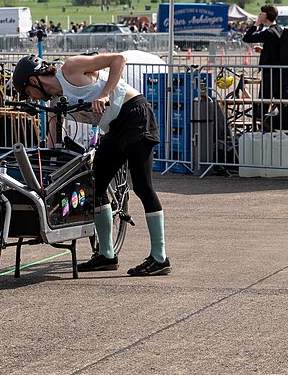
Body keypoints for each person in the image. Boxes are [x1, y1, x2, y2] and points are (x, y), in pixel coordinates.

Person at [12, 53, 171, 277]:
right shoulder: (55, 102)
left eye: (29, 93)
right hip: (114, 128)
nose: (34, 99)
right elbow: (52, 140)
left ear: (34, 80)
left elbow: (118, 60)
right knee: (94, 186)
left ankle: (160, 257)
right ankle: (106, 255)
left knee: (143, 186)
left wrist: (105, 94)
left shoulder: (70, 69)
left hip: (134, 115)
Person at [242, 3, 288, 122]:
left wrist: (257, 23)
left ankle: (260, 132)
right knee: (284, 106)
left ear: (265, 16)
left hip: (271, 74)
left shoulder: (269, 32)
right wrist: (264, 51)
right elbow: (278, 51)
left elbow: (247, 38)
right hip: (283, 74)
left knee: (262, 105)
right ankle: (287, 131)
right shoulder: (280, 30)